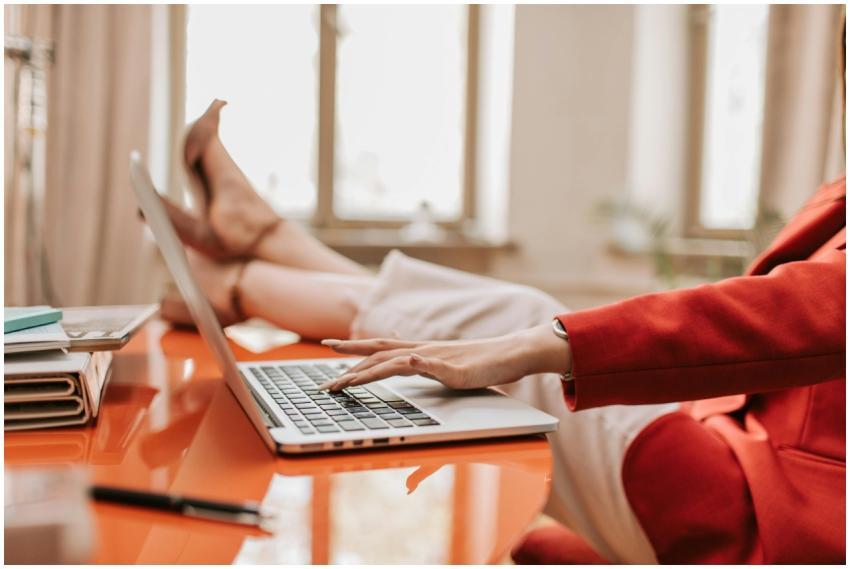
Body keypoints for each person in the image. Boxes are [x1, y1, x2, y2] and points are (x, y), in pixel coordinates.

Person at [156, 36, 845, 561]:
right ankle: (259, 255)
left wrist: (543, 341)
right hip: (730, 450)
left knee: (518, 320)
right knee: (511, 319)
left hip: (757, 516)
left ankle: (248, 271)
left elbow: (798, 311)